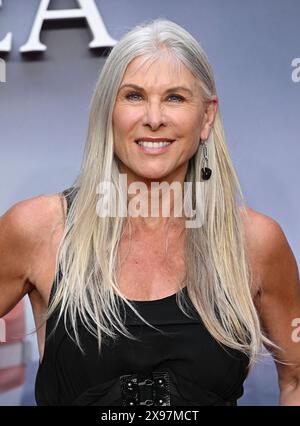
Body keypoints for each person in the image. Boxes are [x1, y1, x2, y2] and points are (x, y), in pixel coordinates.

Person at [0, 18, 300, 406]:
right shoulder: (39, 229)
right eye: (134, 96)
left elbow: (295, 379)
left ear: (206, 117)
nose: (154, 118)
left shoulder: (255, 243)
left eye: (175, 97)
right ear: (109, 111)